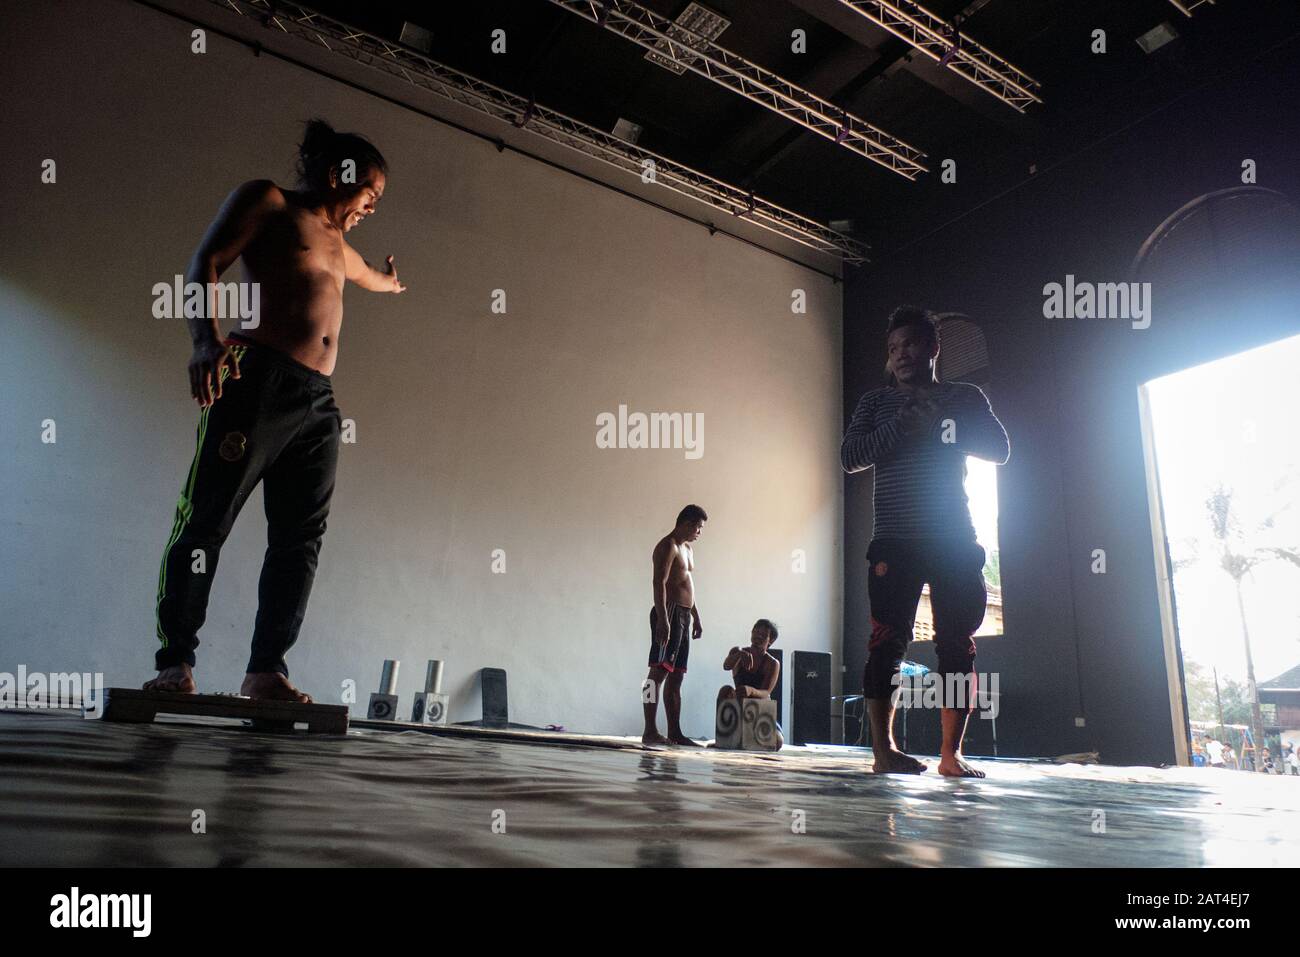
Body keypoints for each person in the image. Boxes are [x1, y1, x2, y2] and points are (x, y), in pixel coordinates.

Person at [146, 119, 405, 702]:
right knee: (207, 519)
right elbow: (204, 263)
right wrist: (204, 342)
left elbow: (367, 277)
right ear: (344, 175)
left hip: (317, 402)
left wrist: (389, 283)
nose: (373, 206)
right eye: (372, 193)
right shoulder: (269, 201)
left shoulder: (341, 247)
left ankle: (266, 670)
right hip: (255, 378)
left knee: (300, 538)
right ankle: (175, 663)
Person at [842, 306, 1009, 777]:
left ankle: (951, 756)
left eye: (911, 344)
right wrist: (901, 427)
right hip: (894, 540)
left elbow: (1000, 449)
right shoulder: (875, 404)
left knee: (957, 646)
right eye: (893, 349)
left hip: (954, 537)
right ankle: (883, 752)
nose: (901, 356)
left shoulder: (964, 395)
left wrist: (941, 426)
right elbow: (850, 456)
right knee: (886, 643)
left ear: (934, 347)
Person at [642, 505, 707, 746]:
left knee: (677, 676)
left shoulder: (688, 549)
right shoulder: (667, 546)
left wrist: (696, 616)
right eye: (698, 528)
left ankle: (674, 732)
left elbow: (687, 583)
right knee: (655, 675)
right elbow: (658, 583)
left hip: (684, 614)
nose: (699, 533)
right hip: (668, 612)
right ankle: (650, 730)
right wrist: (662, 618)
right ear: (687, 523)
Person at [718, 619, 781, 705]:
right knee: (725, 690)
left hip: (761, 707)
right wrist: (739, 654)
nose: (758, 637)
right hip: (740, 703)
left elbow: (766, 692)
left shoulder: (772, 663)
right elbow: (726, 666)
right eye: (756, 632)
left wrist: (751, 691)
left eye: (763, 635)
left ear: (771, 640)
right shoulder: (737, 651)